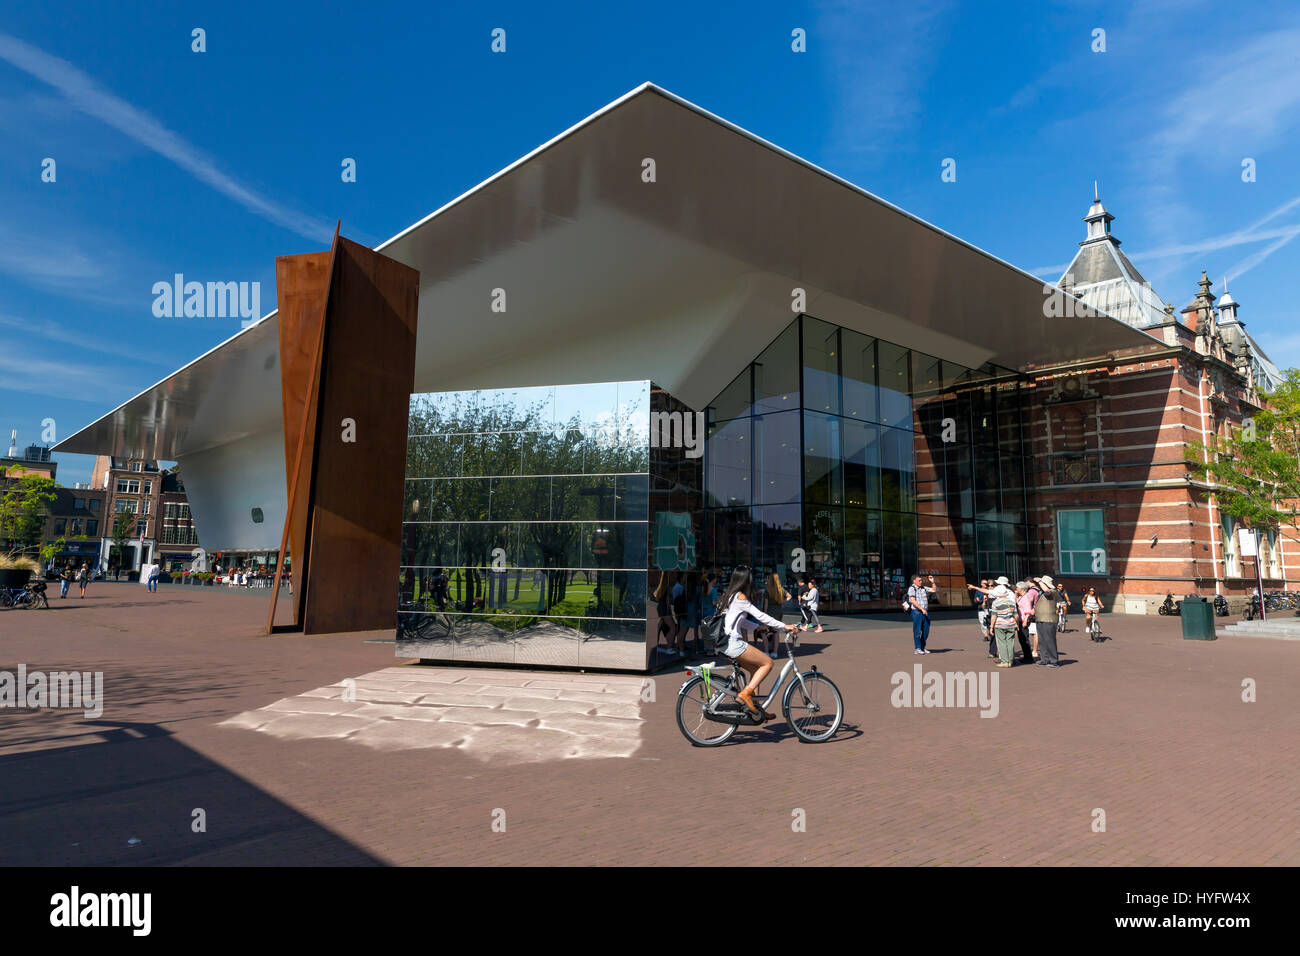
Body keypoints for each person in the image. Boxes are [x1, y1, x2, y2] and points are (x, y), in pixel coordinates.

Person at [717, 566, 799, 720]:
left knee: (756, 670)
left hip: (724, 643)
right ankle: (746, 694)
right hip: (733, 643)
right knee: (767, 663)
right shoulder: (741, 597)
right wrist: (783, 625)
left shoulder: (730, 596)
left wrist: (757, 628)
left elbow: (739, 622)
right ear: (745, 580)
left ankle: (756, 708)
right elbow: (760, 615)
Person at [1032, 575, 1061, 666]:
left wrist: (1040, 581)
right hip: (1040, 619)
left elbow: (1047, 591)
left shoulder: (1053, 591)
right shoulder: (1041, 592)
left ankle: (1053, 660)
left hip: (1049, 619)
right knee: (1042, 640)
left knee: (1049, 640)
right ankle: (1045, 659)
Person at [988, 584, 1019, 667]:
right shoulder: (1012, 602)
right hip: (1011, 624)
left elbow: (994, 616)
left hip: (1000, 624)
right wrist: (1017, 624)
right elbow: (1016, 615)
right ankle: (1010, 660)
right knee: (1010, 642)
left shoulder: (996, 602)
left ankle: (1005, 661)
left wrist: (991, 627)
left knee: (1002, 643)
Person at [908, 573, 937, 654]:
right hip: (917, 612)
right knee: (917, 631)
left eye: (921, 580)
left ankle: (922, 647)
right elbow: (913, 601)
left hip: (925, 612)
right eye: (919, 580)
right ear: (914, 581)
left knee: (926, 631)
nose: (921, 581)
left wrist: (932, 582)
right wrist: (921, 609)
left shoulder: (924, 588)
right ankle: (917, 648)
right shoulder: (912, 588)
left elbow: (934, 590)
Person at [763, 572, 789, 655]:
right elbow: (789, 596)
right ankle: (775, 652)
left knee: (765, 632)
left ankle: (766, 651)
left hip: (769, 612)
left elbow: (766, 605)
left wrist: (764, 614)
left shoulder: (767, 590)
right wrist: (781, 601)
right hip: (778, 611)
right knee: (776, 632)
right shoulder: (780, 589)